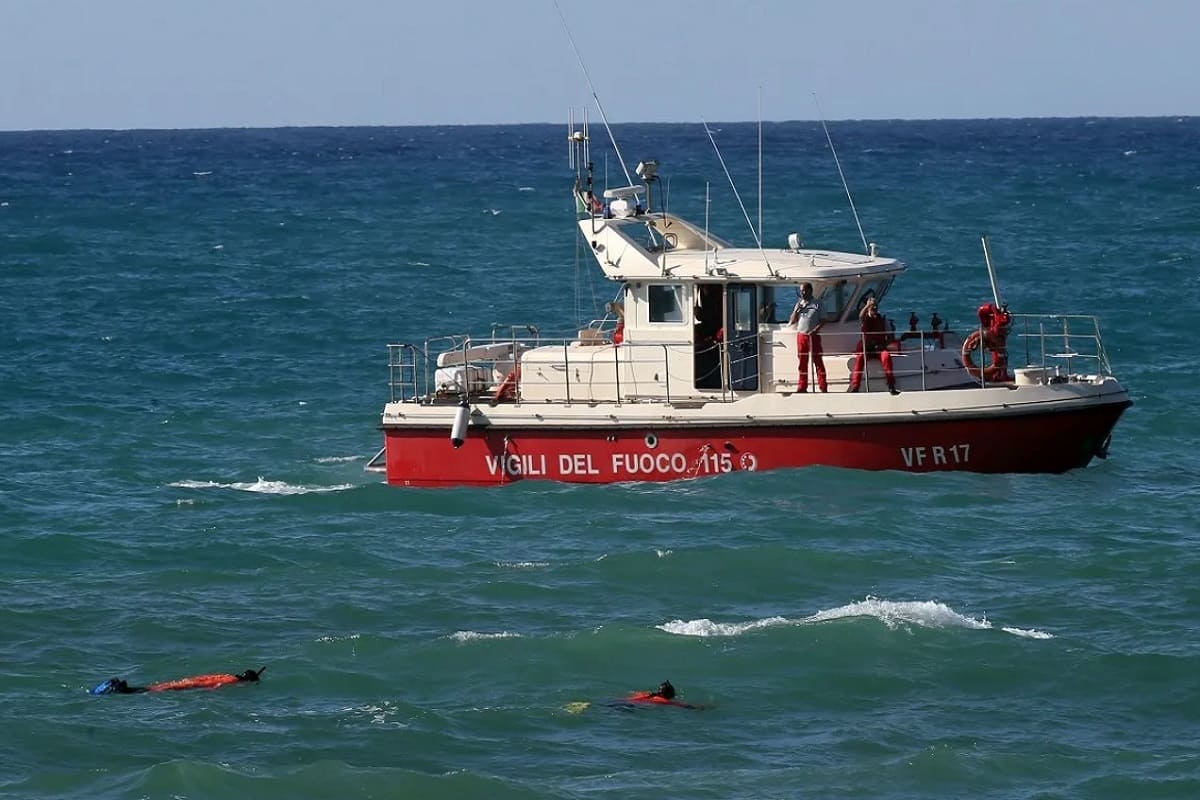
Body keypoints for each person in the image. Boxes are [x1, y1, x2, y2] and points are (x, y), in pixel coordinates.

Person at [848, 296, 898, 394]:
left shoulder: (883, 319)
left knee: (886, 357)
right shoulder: (865, 318)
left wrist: (884, 344)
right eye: (872, 307)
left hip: (879, 347)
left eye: (875, 306)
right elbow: (861, 316)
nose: (874, 309)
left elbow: (890, 335)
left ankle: (891, 385)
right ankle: (855, 386)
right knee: (859, 359)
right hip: (867, 348)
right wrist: (867, 306)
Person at [90, 667, 265, 695]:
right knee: (155, 690)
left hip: (189, 680)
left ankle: (123, 688)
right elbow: (216, 686)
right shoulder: (231, 681)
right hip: (192, 685)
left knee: (158, 687)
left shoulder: (227, 674)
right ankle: (121, 690)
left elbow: (210, 678)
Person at [787, 283, 827, 393]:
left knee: (818, 361)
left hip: (813, 336)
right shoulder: (799, 304)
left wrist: (815, 331)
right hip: (801, 336)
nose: (802, 293)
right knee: (802, 362)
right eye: (801, 291)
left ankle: (823, 386)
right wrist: (796, 311)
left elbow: (824, 320)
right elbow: (792, 321)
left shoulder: (818, 304)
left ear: (810, 290)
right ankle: (802, 386)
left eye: (804, 290)